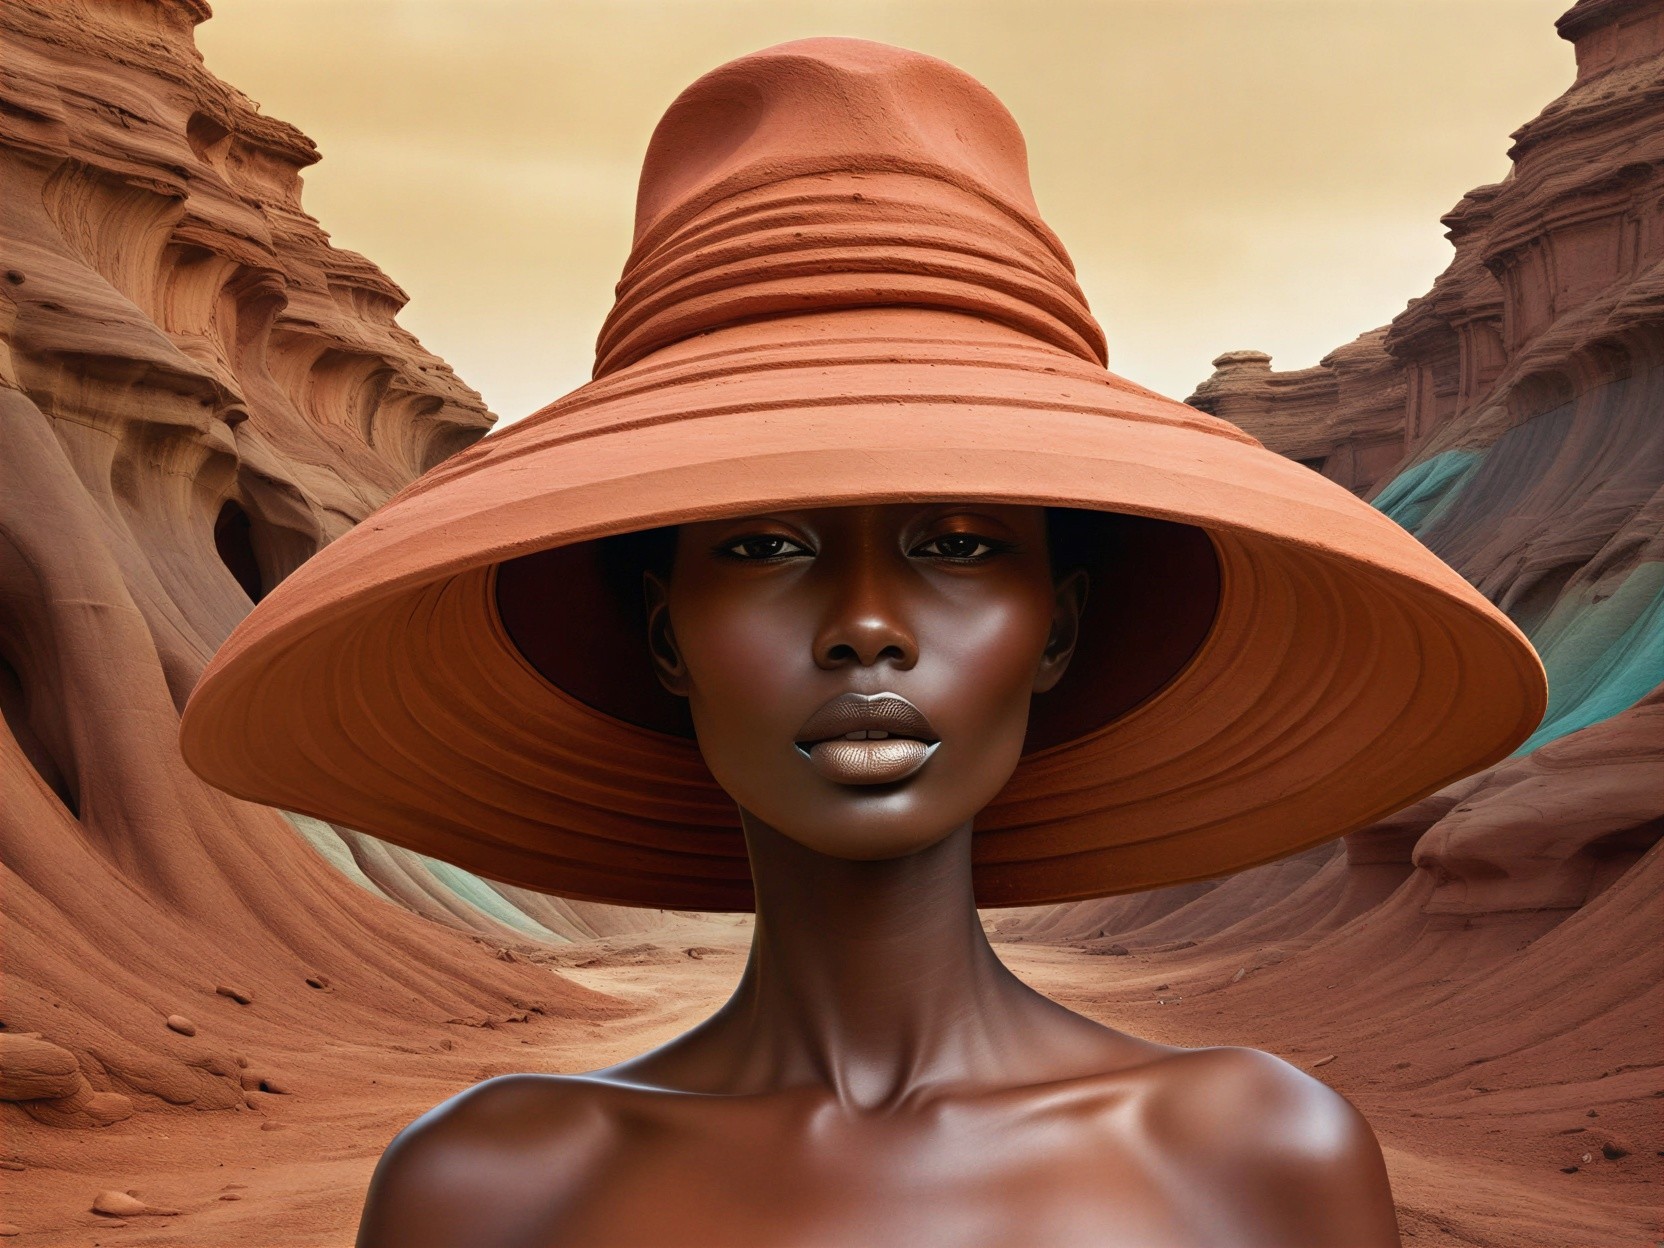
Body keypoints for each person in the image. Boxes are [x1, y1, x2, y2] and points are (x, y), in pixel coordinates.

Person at [180, 38, 1546, 1248]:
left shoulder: (1262, 1162)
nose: (868, 627)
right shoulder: (486, 1193)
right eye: (764, 546)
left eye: (957, 546)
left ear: (1057, 626)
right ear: (666, 633)